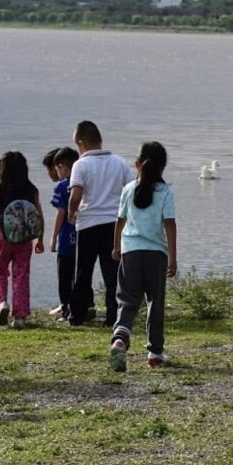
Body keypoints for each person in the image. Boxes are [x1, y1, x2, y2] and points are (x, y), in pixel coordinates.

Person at [109, 142, 177, 372]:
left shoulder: (129, 189)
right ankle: (155, 353)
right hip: (156, 254)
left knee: (127, 300)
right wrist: (172, 257)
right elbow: (169, 224)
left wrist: (116, 247)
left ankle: (120, 337)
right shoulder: (165, 192)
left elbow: (120, 220)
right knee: (154, 303)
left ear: (138, 164)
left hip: (130, 253)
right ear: (162, 168)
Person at [68, 121, 134, 326]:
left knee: (83, 272)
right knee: (113, 272)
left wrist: (72, 212)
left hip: (88, 224)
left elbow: (76, 194)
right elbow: (132, 189)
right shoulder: (119, 162)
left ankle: (77, 315)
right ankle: (114, 316)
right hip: (114, 223)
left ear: (82, 143)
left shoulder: (81, 164)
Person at [0, 152, 45, 328]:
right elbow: (38, 215)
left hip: (4, 237)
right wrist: (40, 238)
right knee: (21, 274)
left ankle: (2, 302)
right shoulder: (32, 189)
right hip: (25, 239)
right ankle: (20, 317)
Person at [50, 147, 80, 320]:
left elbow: (61, 213)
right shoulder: (82, 183)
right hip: (81, 237)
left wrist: (53, 237)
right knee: (80, 273)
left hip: (66, 240)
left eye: (56, 169)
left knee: (64, 275)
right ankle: (85, 304)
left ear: (62, 167)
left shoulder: (62, 187)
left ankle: (65, 307)